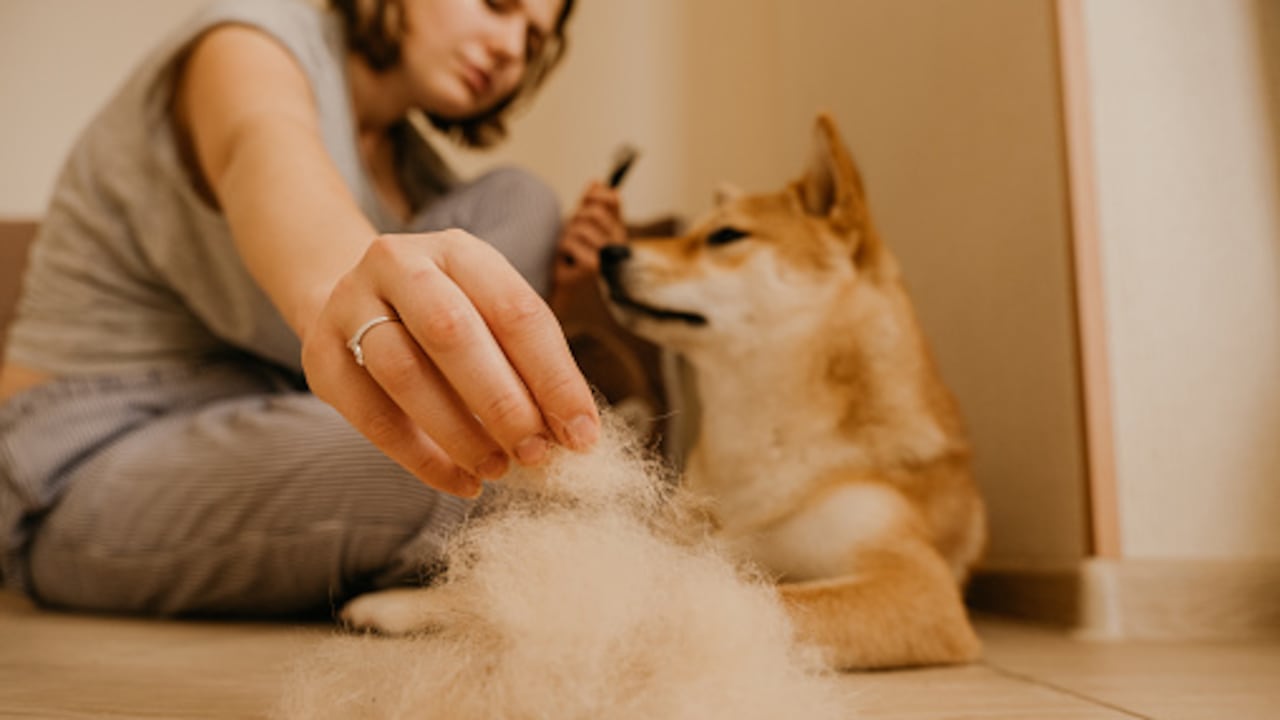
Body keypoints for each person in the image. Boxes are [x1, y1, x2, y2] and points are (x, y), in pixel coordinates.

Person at [0, 0, 627, 616]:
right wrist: (349, 289)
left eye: (534, 41)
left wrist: (555, 288)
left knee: (523, 199)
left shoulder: (417, 174)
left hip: (269, 406)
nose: (511, 49)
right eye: (496, 5)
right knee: (443, 469)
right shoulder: (248, 45)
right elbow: (264, 152)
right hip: (83, 463)